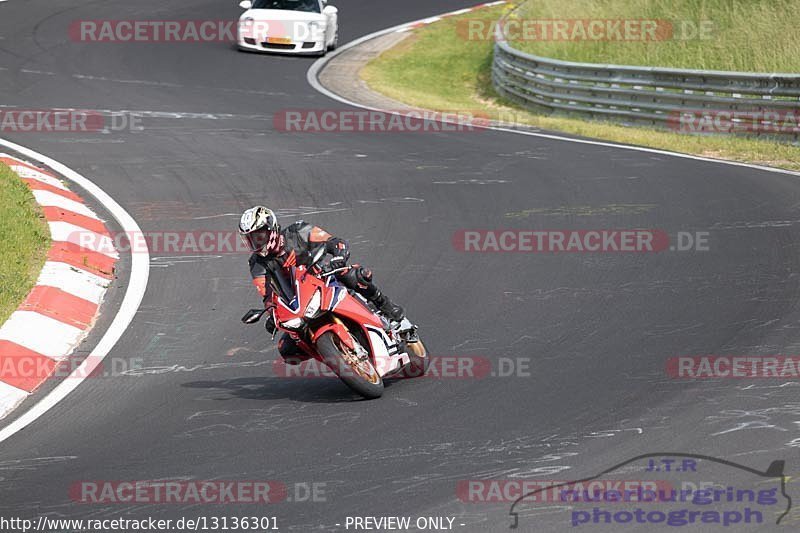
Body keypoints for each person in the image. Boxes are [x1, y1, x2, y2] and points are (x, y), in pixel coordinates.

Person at [238, 206, 405, 362]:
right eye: (249, 239)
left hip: (323, 279)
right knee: (287, 349)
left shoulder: (297, 231)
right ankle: (337, 357)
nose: (255, 243)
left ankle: (388, 308)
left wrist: (339, 256)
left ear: (271, 229)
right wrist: (271, 315)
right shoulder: (256, 264)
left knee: (353, 275)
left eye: (258, 236)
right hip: (297, 303)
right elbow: (267, 294)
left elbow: (334, 242)